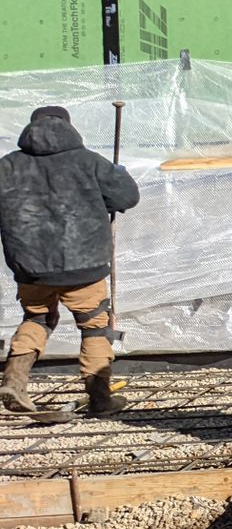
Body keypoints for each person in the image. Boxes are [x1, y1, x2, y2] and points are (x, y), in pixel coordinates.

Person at [0, 105, 140, 417]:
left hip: (31, 270)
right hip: (84, 268)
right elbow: (126, 198)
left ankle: (14, 380)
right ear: (69, 127)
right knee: (94, 326)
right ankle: (100, 398)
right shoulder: (89, 161)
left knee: (36, 319)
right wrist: (117, 173)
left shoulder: (7, 166)